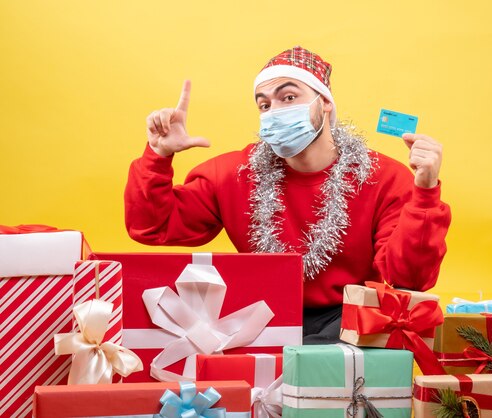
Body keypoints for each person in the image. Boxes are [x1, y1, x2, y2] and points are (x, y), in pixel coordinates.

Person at [125, 46, 451, 343]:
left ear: (324, 103)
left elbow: (409, 278)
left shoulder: (384, 177)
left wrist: (423, 193)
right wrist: (158, 155)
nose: (274, 112)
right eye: (264, 104)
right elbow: (153, 226)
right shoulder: (234, 174)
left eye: (289, 98)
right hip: (260, 313)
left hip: (351, 320)